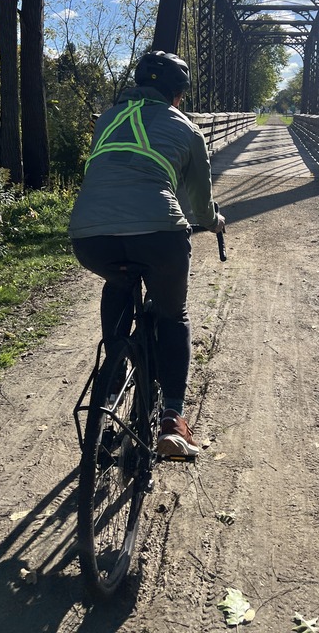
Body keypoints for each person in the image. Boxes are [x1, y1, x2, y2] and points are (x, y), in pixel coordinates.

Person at [69, 50, 225, 457]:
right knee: (173, 315)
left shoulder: (106, 118)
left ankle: (106, 397)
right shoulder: (187, 129)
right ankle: (173, 419)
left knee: (118, 281)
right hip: (158, 234)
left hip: (89, 236)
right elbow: (200, 201)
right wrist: (213, 222)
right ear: (178, 94)